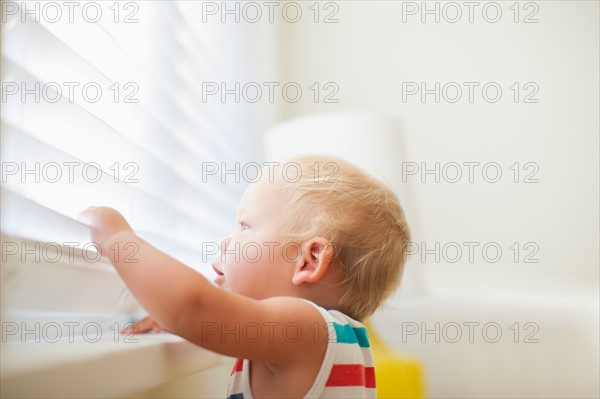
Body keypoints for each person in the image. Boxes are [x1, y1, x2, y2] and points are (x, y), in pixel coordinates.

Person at [79, 155, 411, 398]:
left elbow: (195, 308)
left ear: (309, 261)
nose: (227, 240)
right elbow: (207, 318)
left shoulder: (307, 328)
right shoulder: (323, 337)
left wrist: (117, 239)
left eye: (245, 227)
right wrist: (172, 318)